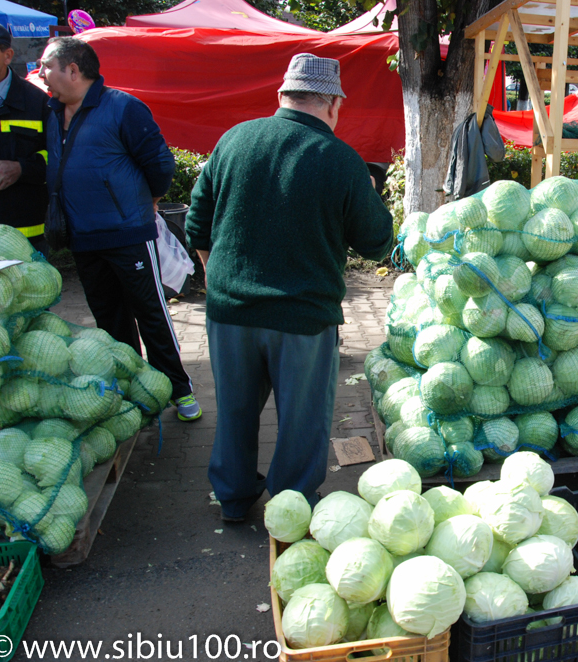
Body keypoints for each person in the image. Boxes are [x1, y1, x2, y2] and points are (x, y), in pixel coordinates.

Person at [185, 54, 394, 522]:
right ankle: (290, 510)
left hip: (228, 314)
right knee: (301, 424)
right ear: (334, 104)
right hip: (302, 320)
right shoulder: (341, 161)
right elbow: (377, 243)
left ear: (281, 96)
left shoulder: (234, 140)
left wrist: (222, 279)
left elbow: (197, 224)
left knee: (235, 413)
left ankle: (234, 502)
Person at [39, 37, 201, 421]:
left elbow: (160, 163)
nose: (42, 73)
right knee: (108, 320)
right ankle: (134, 391)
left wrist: (151, 200)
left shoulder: (122, 107)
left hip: (127, 233)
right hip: (82, 237)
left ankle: (180, 390)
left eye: (47, 65)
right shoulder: (51, 111)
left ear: (73, 70)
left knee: (151, 313)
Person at [0, 20, 50, 252]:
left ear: (8, 55)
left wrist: (20, 169)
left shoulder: (38, 102)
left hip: (25, 234)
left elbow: (59, 157)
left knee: (34, 289)